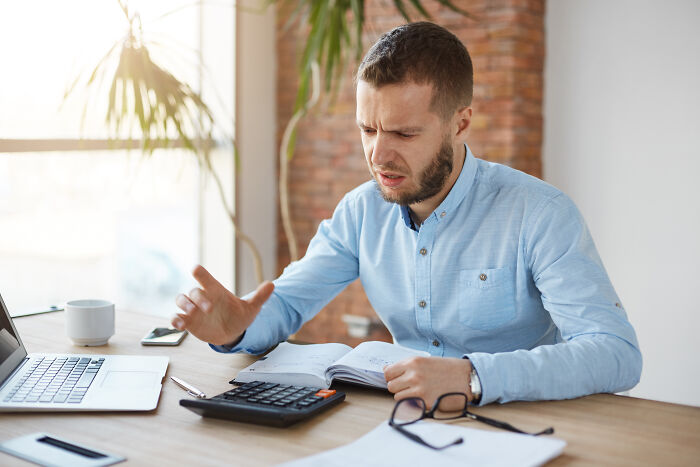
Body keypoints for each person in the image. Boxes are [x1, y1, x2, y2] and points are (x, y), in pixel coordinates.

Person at [172, 22, 642, 408]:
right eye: (368, 129)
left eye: (403, 133)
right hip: (403, 422)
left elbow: (615, 353)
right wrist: (238, 327)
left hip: (519, 423)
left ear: (460, 123)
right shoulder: (360, 212)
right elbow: (289, 302)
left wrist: (473, 376)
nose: (379, 154)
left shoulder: (540, 214)